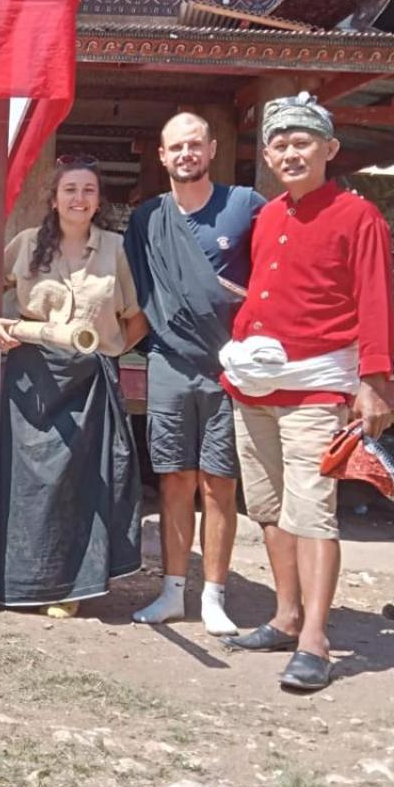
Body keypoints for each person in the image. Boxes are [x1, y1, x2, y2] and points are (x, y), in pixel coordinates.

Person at [219, 93, 394, 693]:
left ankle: (316, 639)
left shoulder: (358, 216)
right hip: (256, 386)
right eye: (280, 144)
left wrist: (371, 382)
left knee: (313, 511)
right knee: (268, 508)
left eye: (302, 142)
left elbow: (374, 300)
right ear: (267, 154)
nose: (290, 152)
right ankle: (286, 614)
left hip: (318, 389)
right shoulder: (268, 217)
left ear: (329, 149)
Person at [0, 155, 147, 615]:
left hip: (90, 380)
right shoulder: (27, 244)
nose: (79, 198)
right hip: (32, 381)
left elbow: (137, 319)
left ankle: (70, 588)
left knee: (81, 484)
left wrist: (105, 353)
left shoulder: (116, 248)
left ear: (98, 201)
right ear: (53, 199)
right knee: (28, 482)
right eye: (70, 189)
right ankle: (16, 579)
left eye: (88, 190)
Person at [125, 113, 265, 636]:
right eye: (174, 147)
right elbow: (137, 293)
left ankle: (215, 595)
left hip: (228, 366)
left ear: (210, 149)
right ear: (161, 156)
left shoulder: (245, 206)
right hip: (169, 361)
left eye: (194, 145)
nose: (185, 154)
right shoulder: (146, 219)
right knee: (174, 478)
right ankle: (171, 591)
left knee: (220, 483)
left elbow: (275, 272)